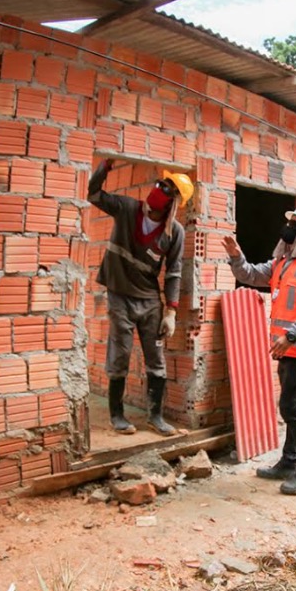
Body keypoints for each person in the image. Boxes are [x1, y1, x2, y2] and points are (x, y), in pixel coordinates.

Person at [222, 205, 296, 496]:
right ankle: (288, 462)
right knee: (291, 406)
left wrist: (291, 336)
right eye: (291, 223)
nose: (290, 229)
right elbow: (249, 275)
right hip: (287, 348)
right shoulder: (281, 264)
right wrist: (236, 255)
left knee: (291, 408)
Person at [87, 159, 194, 436]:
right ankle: (117, 415)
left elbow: (173, 272)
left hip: (149, 300)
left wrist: (170, 312)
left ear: (174, 204)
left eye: (168, 189)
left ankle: (155, 417)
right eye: (161, 183)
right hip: (120, 295)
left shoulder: (175, 232)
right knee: (120, 353)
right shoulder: (127, 209)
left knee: (155, 359)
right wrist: (105, 166)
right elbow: (93, 193)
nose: (160, 189)